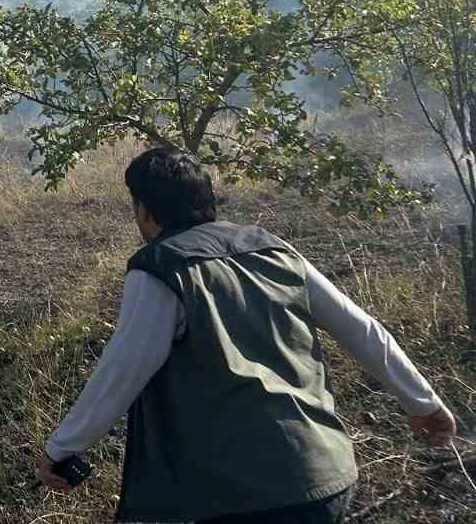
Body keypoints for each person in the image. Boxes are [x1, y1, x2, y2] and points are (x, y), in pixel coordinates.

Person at [36, 147, 457, 522]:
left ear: (144, 211)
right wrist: (424, 402)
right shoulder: (275, 249)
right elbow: (362, 329)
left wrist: (62, 449)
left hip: (244, 494)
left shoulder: (159, 268)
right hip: (326, 475)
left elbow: (122, 370)